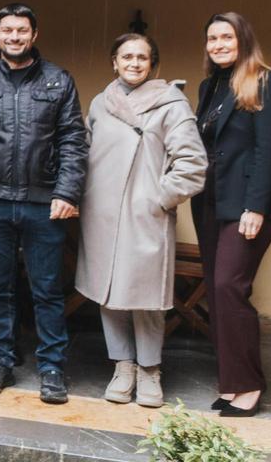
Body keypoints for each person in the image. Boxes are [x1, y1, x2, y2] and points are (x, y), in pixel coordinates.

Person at [0, 3, 88, 405]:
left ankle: (52, 368)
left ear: (34, 35)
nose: (15, 37)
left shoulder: (58, 80)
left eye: (22, 30)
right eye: (7, 30)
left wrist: (67, 192)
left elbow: (73, 141)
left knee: (47, 290)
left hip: (44, 203)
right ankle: (1, 362)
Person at [76, 34, 207, 408]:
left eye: (142, 57)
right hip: (101, 213)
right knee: (108, 293)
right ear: (114, 62)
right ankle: (122, 365)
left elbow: (193, 164)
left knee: (147, 297)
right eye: (126, 56)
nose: (134, 63)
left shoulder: (171, 104)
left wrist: (158, 198)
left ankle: (150, 369)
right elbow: (85, 151)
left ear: (153, 64)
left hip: (145, 213)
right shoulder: (100, 103)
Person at [194, 12, 271, 417]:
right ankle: (232, 383)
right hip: (210, 200)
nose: (218, 44)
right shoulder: (209, 85)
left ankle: (249, 386)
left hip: (248, 204)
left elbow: (268, 150)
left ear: (243, 39)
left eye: (226, 37)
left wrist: (256, 207)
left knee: (229, 286)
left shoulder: (265, 81)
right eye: (212, 38)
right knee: (216, 293)